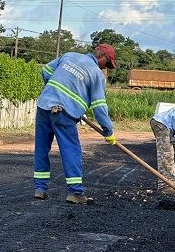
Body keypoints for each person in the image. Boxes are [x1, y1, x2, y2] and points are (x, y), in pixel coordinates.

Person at [34, 44, 117, 204]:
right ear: (101, 57)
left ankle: (40, 189)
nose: (105, 68)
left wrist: (53, 92)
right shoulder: (96, 75)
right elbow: (99, 106)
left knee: (41, 148)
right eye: (106, 64)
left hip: (44, 106)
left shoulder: (69, 56)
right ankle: (75, 192)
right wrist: (108, 130)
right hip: (64, 113)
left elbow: (45, 71)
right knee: (71, 150)